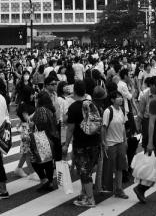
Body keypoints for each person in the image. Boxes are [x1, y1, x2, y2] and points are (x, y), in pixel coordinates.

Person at [65, 79, 101, 208]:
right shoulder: (91, 104)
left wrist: (66, 144)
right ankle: (85, 194)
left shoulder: (73, 107)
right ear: (85, 91)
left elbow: (70, 129)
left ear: (74, 91)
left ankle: (90, 199)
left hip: (81, 144)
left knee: (84, 172)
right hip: (94, 142)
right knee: (88, 170)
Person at [101, 89, 128, 198]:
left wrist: (125, 140)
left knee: (120, 167)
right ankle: (106, 187)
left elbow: (123, 126)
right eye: (117, 97)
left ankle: (119, 189)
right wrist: (103, 142)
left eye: (121, 97)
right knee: (109, 167)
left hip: (120, 143)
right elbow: (103, 127)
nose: (120, 99)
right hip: (111, 144)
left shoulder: (122, 110)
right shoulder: (108, 111)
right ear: (112, 100)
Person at [30, 90, 59, 191]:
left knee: (34, 160)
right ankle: (50, 182)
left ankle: (44, 179)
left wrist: (32, 125)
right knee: (49, 162)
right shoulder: (51, 109)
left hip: (43, 138)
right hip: (53, 138)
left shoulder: (40, 110)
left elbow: (39, 124)